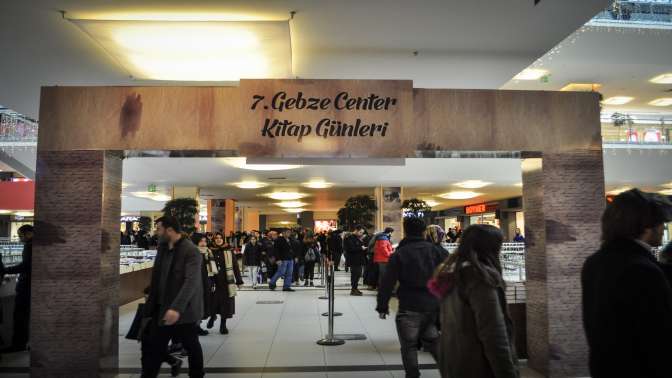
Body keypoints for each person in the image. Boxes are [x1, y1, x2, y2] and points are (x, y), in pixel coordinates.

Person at [582, 188, 672, 378]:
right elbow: (658, 340)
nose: (663, 229)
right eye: (661, 223)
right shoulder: (643, 270)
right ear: (647, 226)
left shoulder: (594, 262)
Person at [429, 224, 518, 378]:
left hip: (454, 361)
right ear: (491, 248)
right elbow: (493, 333)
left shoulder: (452, 275)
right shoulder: (480, 279)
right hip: (478, 366)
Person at [377, 217, 447, 378]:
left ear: (406, 230)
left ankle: (412, 375)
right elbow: (451, 275)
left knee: (409, 346)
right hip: (432, 306)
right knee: (433, 340)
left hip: (409, 306)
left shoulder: (400, 253)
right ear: (424, 231)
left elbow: (387, 283)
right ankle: (448, 370)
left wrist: (382, 306)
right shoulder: (437, 251)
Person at [141, 216, 205, 378]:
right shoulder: (163, 247)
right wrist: (151, 296)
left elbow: (191, 282)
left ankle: (197, 375)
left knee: (191, 346)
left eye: (159, 228)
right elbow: (158, 275)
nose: (156, 231)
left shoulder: (190, 251)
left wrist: (176, 308)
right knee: (154, 348)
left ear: (169, 230)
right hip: (161, 308)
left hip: (183, 311)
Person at [0, 224, 33, 354]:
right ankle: (22, 343)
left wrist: (6, 270)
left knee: (20, 317)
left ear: (29, 233)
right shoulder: (37, 245)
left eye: (21, 235)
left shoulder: (30, 246)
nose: (19, 238)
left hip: (25, 288)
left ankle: (18, 344)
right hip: (30, 287)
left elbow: (25, 266)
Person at [207, 232, 243, 334]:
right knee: (213, 302)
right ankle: (212, 317)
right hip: (213, 281)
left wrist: (239, 280)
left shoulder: (229, 250)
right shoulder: (210, 251)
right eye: (216, 238)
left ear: (223, 239)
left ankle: (223, 325)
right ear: (213, 240)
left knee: (225, 304)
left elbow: (235, 266)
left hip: (226, 281)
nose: (219, 240)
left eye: (220, 238)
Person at [191, 233, 215, 336]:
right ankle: (195, 326)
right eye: (201, 241)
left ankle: (198, 325)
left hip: (206, 281)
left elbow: (212, 269)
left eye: (205, 241)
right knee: (197, 304)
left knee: (204, 304)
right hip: (196, 283)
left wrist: (212, 282)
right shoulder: (193, 253)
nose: (203, 243)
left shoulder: (208, 252)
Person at [344, 225, 367, 296]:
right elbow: (350, 249)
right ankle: (353, 290)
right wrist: (361, 248)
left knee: (358, 274)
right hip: (353, 260)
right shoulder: (349, 238)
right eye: (360, 232)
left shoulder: (357, 238)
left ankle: (355, 289)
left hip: (358, 260)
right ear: (356, 230)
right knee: (355, 275)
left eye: (362, 233)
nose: (361, 234)